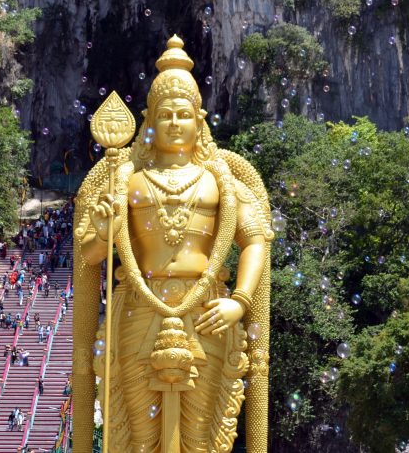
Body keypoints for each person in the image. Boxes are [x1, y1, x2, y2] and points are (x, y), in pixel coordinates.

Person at [73, 36, 271, 452]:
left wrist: (239, 300)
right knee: (138, 437)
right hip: (139, 309)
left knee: (200, 437)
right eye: (166, 115)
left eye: (184, 114)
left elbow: (255, 240)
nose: (175, 122)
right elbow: (90, 255)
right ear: (149, 122)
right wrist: (108, 227)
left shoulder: (222, 182)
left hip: (206, 311)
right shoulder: (125, 180)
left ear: (199, 120)